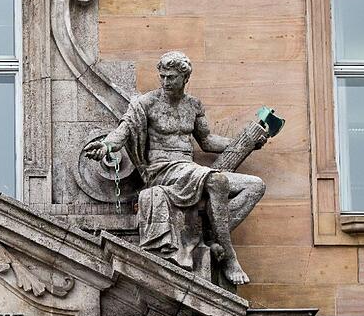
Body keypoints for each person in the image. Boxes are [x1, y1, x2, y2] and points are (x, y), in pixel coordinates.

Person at [84, 51, 267, 285]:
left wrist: (246, 143)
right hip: (163, 170)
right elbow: (123, 131)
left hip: (189, 168)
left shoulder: (193, 106)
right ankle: (229, 257)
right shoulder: (146, 104)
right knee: (217, 180)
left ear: (185, 78)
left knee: (255, 186)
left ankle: (212, 233)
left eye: (171, 77)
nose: (165, 82)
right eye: (162, 76)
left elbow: (207, 140)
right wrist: (106, 146)